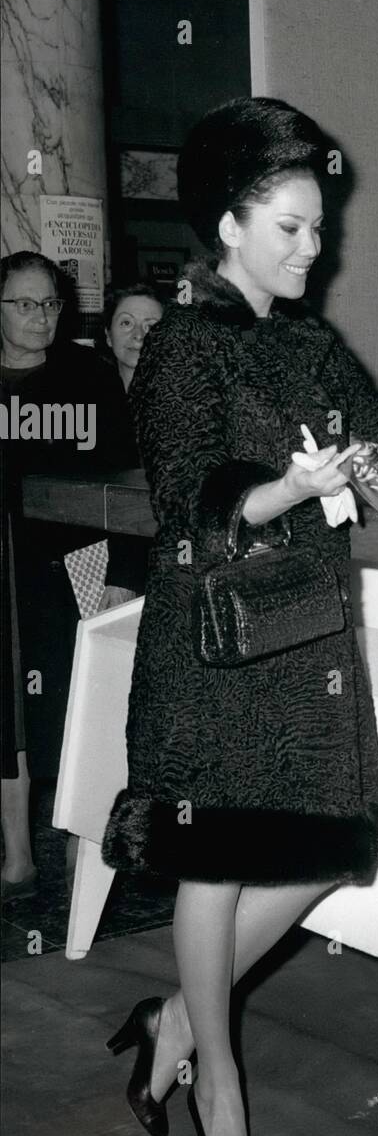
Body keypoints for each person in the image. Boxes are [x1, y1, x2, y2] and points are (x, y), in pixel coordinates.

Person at [101, 97, 378, 1136]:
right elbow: (186, 504)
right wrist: (288, 486)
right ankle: (218, 1074)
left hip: (308, 640)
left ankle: (176, 1015)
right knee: (219, 859)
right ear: (229, 226)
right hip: (217, 645)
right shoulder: (182, 342)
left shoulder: (312, 342)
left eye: (319, 228)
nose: (315, 250)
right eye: (291, 226)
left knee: (326, 849)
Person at [1, 252, 128, 899]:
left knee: (75, 708)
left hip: (69, 570)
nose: (40, 317)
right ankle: (17, 859)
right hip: (4, 572)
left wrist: (123, 570)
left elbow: (129, 483)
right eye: (24, 304)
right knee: (5, 718)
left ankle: (83, 859)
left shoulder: (88, 377)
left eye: (49, 303)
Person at [96, 282, 167, 609]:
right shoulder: (90, 404)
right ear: (108, 336)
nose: (138, 335)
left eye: (151, 326)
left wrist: (123, 576)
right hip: (92, 563)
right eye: (126, 323)